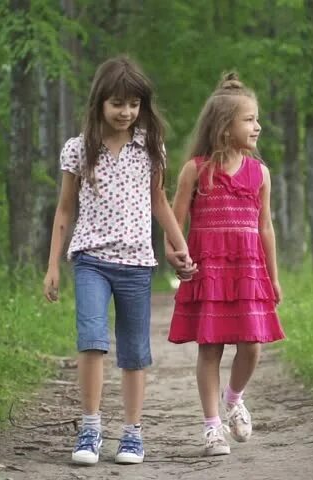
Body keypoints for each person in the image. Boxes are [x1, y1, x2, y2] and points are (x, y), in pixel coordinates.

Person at [43, 55, 195, 466]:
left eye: (133, 104)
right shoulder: (78, 150)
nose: (126, 112)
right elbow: (64, 210)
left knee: (134, 350)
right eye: (117, 104)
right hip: (90, 259)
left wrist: (180, 248)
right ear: (99, 104)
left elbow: (159, 201)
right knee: (91, 340)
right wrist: (53, 265)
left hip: (136, 263)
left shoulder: (149, 147)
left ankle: (132, 434)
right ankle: (90, 427)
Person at [167, 72, 285, 456]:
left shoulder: (260, 173)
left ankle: (234, 399)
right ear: (224, 126)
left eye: (256, 119)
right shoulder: (195, 170)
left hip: (248, 271)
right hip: (209, 272)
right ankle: (212, 427)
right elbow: (175, 222)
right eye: (249, 119)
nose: (258, 126)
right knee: (210, 349)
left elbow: (265, 227)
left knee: (252, 346)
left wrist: (273, 276)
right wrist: (177, 256)